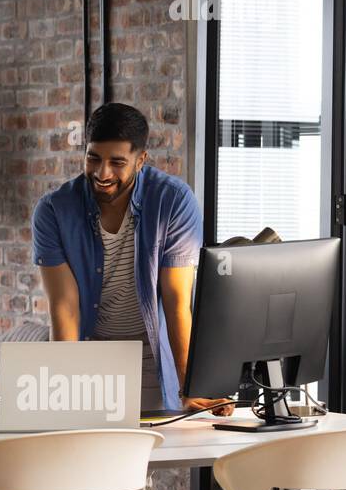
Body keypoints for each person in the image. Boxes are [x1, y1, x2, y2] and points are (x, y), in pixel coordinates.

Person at [31, 102, 230, 416]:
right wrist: (64, 389)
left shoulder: (174, 201)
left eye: (117, 162)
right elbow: (65, 307)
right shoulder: (54, 210)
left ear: (141, 160)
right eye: (93, 158)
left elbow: (177, 301)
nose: (102, 173)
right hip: (89, 354)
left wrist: (189, 386)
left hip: (152, 356)